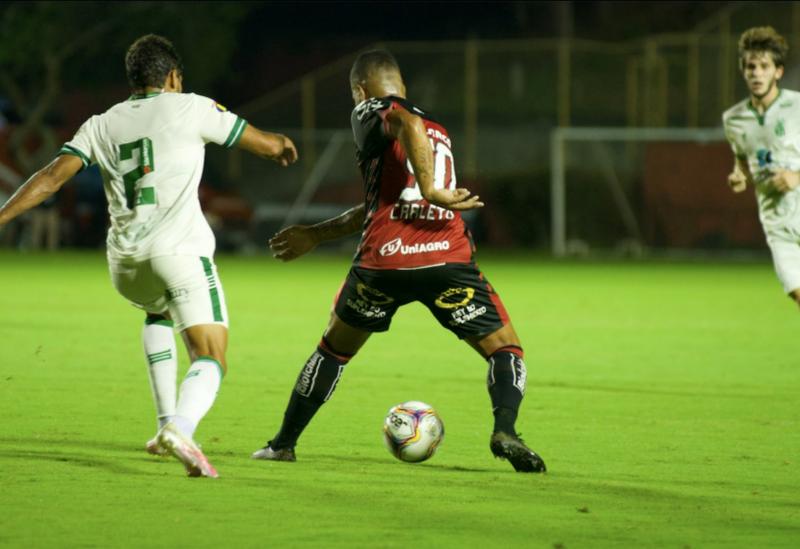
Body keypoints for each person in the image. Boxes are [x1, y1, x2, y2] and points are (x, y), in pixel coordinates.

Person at [0, 34, 298, 478]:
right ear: (173, 76)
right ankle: (181, 428)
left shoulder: (101, 123)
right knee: (211, 355)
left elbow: (50, 178)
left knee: (157, 312)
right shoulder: (193, 107)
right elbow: (267, 145)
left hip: (125, 265)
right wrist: (282, 144)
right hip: (179, 254)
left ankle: (163, 426)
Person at [253, 49, 546, 473]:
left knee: (333, 350)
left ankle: (283, 445)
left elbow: (404, 125)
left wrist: (430, 190)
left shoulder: (371, 110)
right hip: (446, 260)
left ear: (360, 90)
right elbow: (381, 203)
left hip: (384, 264)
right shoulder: (437, 128)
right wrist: (316, 233)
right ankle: (506, 431)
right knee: (505, 349)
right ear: (403, 85)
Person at [723, 27, 800, 306]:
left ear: (778, 72)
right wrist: (739, 175)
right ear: (743, 71)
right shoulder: (733, 119)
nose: (756, 73)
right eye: (750, 67)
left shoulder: (797, 106)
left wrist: (797, 176)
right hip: (776, 223)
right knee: (797, 292)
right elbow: (743, 159)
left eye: (764, 66)